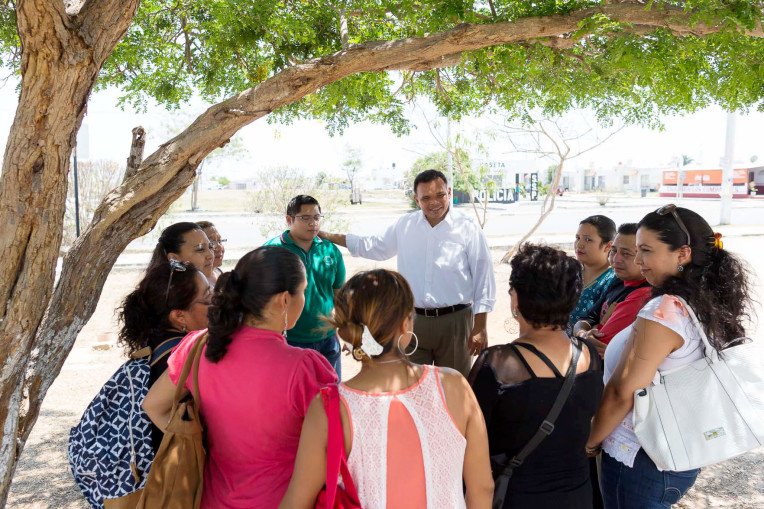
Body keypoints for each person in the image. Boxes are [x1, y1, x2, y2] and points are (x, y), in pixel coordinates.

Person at [280, 269, 494, 508]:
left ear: (346, 331)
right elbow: (482, 489)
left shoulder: (330, 407)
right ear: (406, 324)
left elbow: (297, 501)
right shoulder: (454, 386)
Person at [143, 246, 338, 508]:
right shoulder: (305, 367)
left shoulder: (198, 345)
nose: (305, 298)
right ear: (284, 300)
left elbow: (153, 405)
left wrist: (198, 442)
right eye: (303, 291)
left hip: (211, 500)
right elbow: (335, 448)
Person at [586, 205, 753, 508]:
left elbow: (624, 391)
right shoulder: (704, 301)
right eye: (636, 250)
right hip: (675, 453)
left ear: (683, 253)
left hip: (639, 456)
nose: (638, 261)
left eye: (646, 251)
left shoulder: (662, 311)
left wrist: (591, 439)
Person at [320, 169, 496, 377]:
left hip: (455, 322)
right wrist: (329, 236)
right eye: (426, 198)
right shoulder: (405, 225)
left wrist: (480, 326)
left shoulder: (468, 227)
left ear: (449, 192)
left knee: (454, 385)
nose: (434, 203)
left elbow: (483, 276)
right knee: (410, 384)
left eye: (440, 195)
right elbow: (375, 246)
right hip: (412, 322)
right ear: (416, 199)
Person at [469, 244, 604, 508]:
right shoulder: (588, 355)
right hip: (578, 494)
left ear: (516, 299)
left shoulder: (497, 364)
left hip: (516, 497)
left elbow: (471, 446)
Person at [118, 260, 211, 451]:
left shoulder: (154, 340)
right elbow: (155, 408)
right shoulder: (188, 353)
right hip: (175, 468)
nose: (217, 301)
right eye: (208, 297)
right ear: (179, 316)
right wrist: (195, 453)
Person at [264, 195, 346, 377]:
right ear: (289, 219)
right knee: (294, 399)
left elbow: (339, 293)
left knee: (331, 395)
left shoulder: (330, 250)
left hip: (328, 339)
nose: (313, 223)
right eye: (305, 218)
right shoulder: (272, 251)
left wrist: (347, 327)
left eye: (317, 217)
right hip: (289, 340)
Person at [572, 223, 652, 356]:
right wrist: (583, 334)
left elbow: (599, 346)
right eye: (614, 251)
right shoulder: (619, 280)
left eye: (626, 254)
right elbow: (588, 318)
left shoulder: (642, 295)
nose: (616, 259)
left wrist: (585, 335)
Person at [568, 215, 617, 333]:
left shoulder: (612, 280)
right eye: (577, 238)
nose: (579, 244)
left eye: (588, 239)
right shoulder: (569, 271)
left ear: (608, 246)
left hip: (584, 347)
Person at [148, 222, 215, 282]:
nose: (210, 256)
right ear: (174, 258)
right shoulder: (168, 294)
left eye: (210, 247)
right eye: (200, 250)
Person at [197, 220, 226, 286]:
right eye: (211, 243)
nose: (219, 248)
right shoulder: (196, 283)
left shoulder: (218, 272)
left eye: (220, 241)